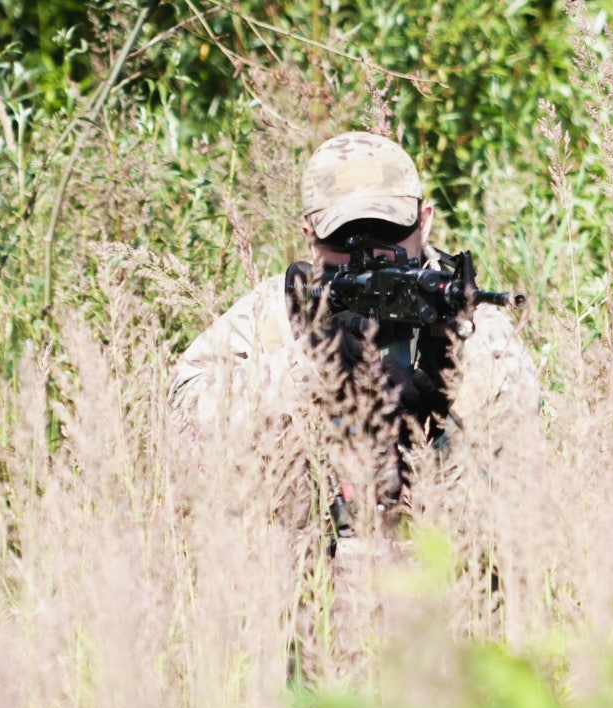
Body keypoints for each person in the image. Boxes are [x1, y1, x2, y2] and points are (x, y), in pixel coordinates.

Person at [168, 131, 540, 518]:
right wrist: (312, 364)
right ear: (310, 235)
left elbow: (513, 489)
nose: (369, 255)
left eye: (389, 231)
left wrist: (431, 422)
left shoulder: (475, 329)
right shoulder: (272, 315)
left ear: (423, 222)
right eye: (343, 237)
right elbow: (182, 434)